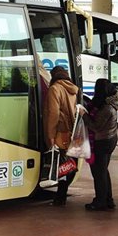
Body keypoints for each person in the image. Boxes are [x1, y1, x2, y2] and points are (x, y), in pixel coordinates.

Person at [80, 79, 118, 211]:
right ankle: (108, 199)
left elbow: (95, 126)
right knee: (103, 170)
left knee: (99, 172)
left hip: (103, 142)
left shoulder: (107, 108)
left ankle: (100, 201)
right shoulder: (107, 103)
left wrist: (84, 115)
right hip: (108, 139)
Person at [43, 65, 79, 206]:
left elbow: (53, 114)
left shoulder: (55, 89)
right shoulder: (73, 89)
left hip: (60, 132)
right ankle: (61, 195)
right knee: (67, 164)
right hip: (71, 132)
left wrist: (50, 135)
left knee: (61, 165)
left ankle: (60, 197)